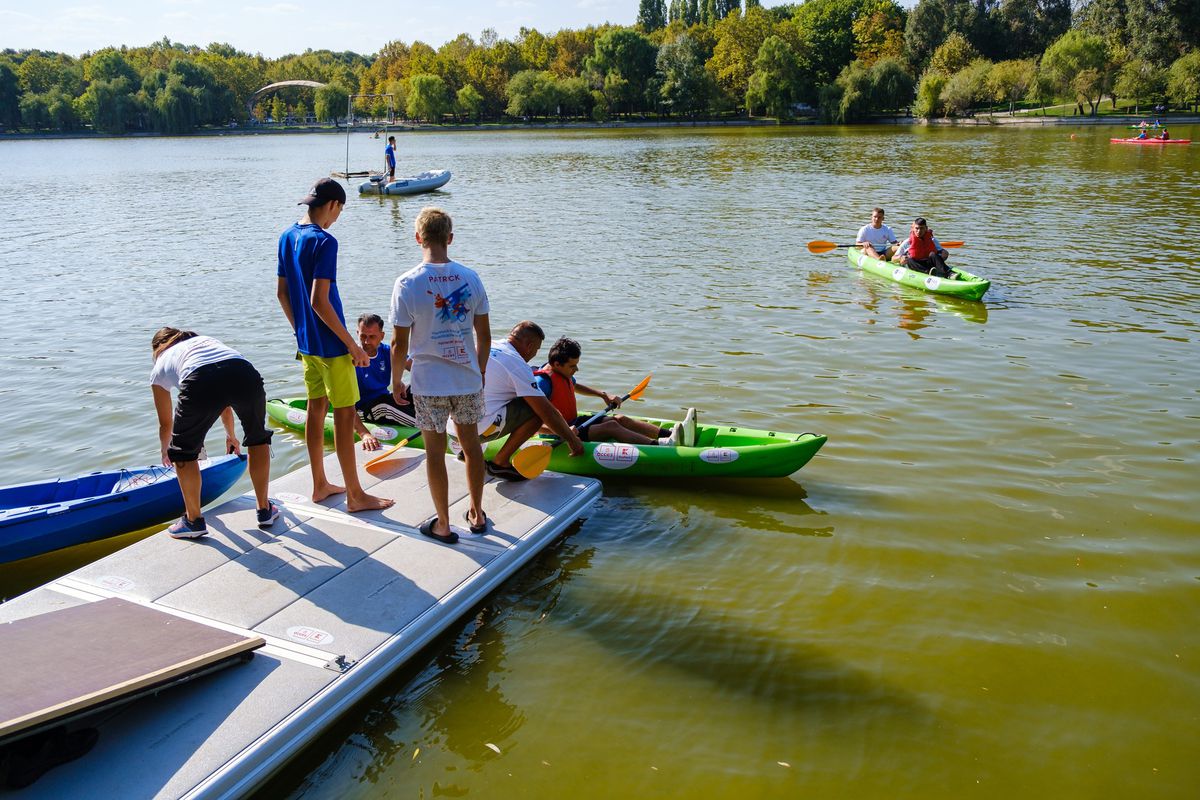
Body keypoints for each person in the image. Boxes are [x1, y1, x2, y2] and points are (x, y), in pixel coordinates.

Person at [276, 177, 394, 512]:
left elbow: (282, 294)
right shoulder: (325, 241)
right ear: (333, 206)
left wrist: (301, 333)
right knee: (344, 417)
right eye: (339, 211)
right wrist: (353, 347)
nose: (337, 217)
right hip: (332, 346)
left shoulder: (287, 236)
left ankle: (320, 484)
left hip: (307, 347)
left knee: (316, 410)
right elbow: (319, 301)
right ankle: (356, 495)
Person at [390, 207, 490, 544]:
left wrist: (395, 381)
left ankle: (444, 524)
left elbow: (398, 342)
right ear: (450, 238)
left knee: (435, 453)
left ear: (418, 238)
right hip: (466, 379)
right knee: (471, 446)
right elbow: (485, 337)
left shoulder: (406, 283)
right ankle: (477, 514)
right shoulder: (471, 278)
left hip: (428, 382)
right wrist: (480, 372)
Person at [149, 327, 279, 539]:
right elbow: (224, 402)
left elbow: (166, 424)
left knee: (183, 452)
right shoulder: (204, 342)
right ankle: (264, 510)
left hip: (201, 379)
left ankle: (193, 521)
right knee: (258, 438)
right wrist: (231, 436)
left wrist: (168, 451)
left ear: (157, 349)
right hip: (244, 372)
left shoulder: (160, 364)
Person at [534, 337, 689, 447]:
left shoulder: (561, 373)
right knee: (611, 427)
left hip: (574, 423)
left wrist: (603, 394)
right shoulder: (542, 384)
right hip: (561, 434)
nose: (577, 369)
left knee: (620, 419)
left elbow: (575, 386)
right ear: (557, 364)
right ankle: (661, 446)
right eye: (573, 366)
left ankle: (669, 435)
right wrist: (565, 432)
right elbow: (534, 423)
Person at [479, 321, 585, 481]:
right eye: (536, 350)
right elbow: (546, 411)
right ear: (529, 345)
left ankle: (466, 451)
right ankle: (500, 462)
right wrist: (572, 440)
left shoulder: (487, 345)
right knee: (537, 409)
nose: (534, 354)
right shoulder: (518, 364)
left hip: (456, 429)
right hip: (481, 430)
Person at [352, 312, 416, 451]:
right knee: (385, 405)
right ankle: (433, 430)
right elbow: (345, 404)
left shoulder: (387, 351)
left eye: (372, 337)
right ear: (357, 333)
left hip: (384, 398)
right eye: (363, 336)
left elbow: (416, 368)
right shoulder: (351, 359)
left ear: (382, 336)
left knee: (414, 388)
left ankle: (445, 418)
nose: (366, 342)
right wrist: (364, 434)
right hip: (364, 409)